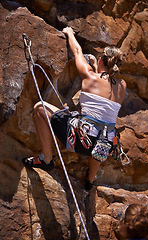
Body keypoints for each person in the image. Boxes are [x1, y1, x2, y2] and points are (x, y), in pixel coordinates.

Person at [22, 27, 126, 190]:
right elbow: (106, 86)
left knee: (39, 107)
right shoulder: (122, 86)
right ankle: (91, 179)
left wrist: (69, 33)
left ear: (100, 60)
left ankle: (46, 158)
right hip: (102, 146)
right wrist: (95, 67)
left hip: (80, 141)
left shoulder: (89, 76)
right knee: (104, 132)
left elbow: (77, 51)